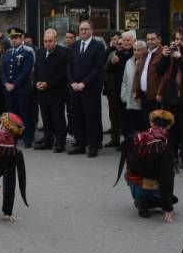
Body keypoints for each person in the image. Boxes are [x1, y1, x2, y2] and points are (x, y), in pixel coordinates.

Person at [116, 109, 177, 221]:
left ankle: (141, 201)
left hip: (134, 182)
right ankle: (150, 201)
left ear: (151, 123)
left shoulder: (135, 137)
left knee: (135, 174)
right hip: (151, 183)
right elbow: (166, 177)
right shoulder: (164, 146)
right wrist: (168, 207)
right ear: (169, 127)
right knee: (173, 199)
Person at [154, 28, 183, 168]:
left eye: (181, 39)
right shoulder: (169, 55)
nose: (178, 42)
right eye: (176, 39)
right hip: (170, 97)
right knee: (170, 129)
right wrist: (163, 56)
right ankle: (172, 155)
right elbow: (159, 71)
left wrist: (179, 58)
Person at [67, 20, 107, 156]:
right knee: (77, 117)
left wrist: (84, 83)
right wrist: (72, 82)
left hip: (90, 89)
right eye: (81, 29)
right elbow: (69, 66)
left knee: (92, 118)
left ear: (91, 30)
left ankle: (93, 145)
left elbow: (97, 68)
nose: (83, 31)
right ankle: (80, 144)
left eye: (85, 29)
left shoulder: (98, 46)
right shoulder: (75, 45)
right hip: (75, 88)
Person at [33, 28, 70, 152]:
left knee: (58, 119)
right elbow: (36, 70)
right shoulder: (40, 52)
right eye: (45, 41)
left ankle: (60, 142)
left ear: (55, 41)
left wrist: (48, 83)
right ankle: (48, 140)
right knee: (46, 119)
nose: (47, 43)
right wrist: (36, 82)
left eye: (50, 41)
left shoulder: (63, 53)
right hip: (42, 92)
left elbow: (63, 74)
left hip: (57, 92)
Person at [1, 29, 36, 149]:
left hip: (22, 89)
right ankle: (13, 137)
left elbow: (26, 72)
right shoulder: (7, 53)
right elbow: (3, 71)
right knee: (12, 116)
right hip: (9, 90)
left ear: (21, 38)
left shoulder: (27, 52)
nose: (13, 40)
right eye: (12, 38)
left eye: (16, 37)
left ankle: (27, 138)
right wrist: (5, 83)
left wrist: (14, 84)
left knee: (25, 114)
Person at [104, 32, 133, 148]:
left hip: (129, 90)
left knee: (128, 117)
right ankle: (117, 139)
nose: (124, 43)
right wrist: (111, 62)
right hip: (115, 90)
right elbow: (107, 69)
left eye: (127, 41)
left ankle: (129, 141)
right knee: (116, 116)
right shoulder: (116, 53)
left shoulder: (135, 53)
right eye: (123, 41)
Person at [120, 39, 148, 136]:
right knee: (131, 127)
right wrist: (123, 96)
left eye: (138, 50)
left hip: (142, 101)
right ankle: (132, 147)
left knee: (142, 126)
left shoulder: (147, 62)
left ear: (144, 50)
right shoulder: (129, 62)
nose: (136, 52)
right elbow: (124, 80)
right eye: (134, 50)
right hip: (130, 101)